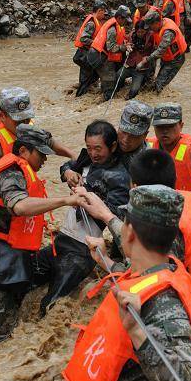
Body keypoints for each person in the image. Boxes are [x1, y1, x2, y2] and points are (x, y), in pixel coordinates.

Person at [82, 149, 191, 381]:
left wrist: (106, 262)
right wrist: (108, 216)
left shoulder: (169, 230)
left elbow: (147, 284)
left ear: (135, 187)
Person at [63, 184, 191, 381]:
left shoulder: (165, 304)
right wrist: (102, 260)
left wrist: (139, 334)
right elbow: (132, 277)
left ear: (130, 232)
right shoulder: (158, 267)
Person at [0, 126, 81, 346]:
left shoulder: (21, 168)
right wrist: (66, 200)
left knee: (10, 324)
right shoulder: (11, 173)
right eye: (41, 154)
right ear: (24, 150)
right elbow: (20, 206)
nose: (45, 159)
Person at [31, 120, 131, 317]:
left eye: (98, 149)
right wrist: (67, 172)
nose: (93, 153)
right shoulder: (87, 160)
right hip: (60, 242)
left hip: (82, 250)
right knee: (22, 278)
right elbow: (67, 165)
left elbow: (115, 217)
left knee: (50, 305)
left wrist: (88, 195)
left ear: (112, 146)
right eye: (89, 147)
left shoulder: (118, 177)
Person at [0, 87, 76, 194]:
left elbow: (49, 142)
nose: (24, 124)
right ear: (2, 116)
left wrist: (73, 156)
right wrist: (8, 190)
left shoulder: (28, 129)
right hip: (2, 205)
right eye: (18, 120)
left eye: (27, 118)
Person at [60, 100, 154, 185]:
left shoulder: (148, 163)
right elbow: (72, 164)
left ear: (145, 135)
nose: (125, 139)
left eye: (133, 136)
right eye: (124, 132)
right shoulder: (108, 142)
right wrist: (68, 173)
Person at [88, 5, 132, 101]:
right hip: (98, 56)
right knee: (110, 82)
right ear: (119, 18)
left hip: (98, 54)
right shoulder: (112, 29)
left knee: (105, 77)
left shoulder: (116, 24)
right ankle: (104, 99)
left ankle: (100, 92)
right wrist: (124, 47)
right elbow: (111, 48)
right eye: (125, 20)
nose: (126, 22)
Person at [138, 9, 187, 93]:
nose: (150, 29)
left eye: (151, 26)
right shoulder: (159, 25)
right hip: (166, 57)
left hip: (176, 60)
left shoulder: (168, 32)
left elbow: (160, 51)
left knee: (160, 84)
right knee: (158, 82)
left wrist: (146, 60)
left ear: (157, 23)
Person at [73, 0, 108, 97]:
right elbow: (83, 39)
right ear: (99, 11)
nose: (104, 14)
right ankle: (79, 97)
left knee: (87, 77)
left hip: (85, 54)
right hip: (84, 55)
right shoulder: (92, 23)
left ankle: (81, 96)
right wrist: (97, 43)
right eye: (103, 11)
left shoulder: (95, 20)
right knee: (86, 79)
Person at [116, 20, 155, 100]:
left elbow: (155, 52)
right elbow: (125, 40)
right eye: (138, 32)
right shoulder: (132, 35)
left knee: (134, 91)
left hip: (140, 68)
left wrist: (147, 60)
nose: (140, 34)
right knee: (118, 75)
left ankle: (127, 99)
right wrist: (127, 46)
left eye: (142, 32)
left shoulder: (151, 36)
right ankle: (118, 90)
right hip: (130, 64)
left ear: (146, 31)